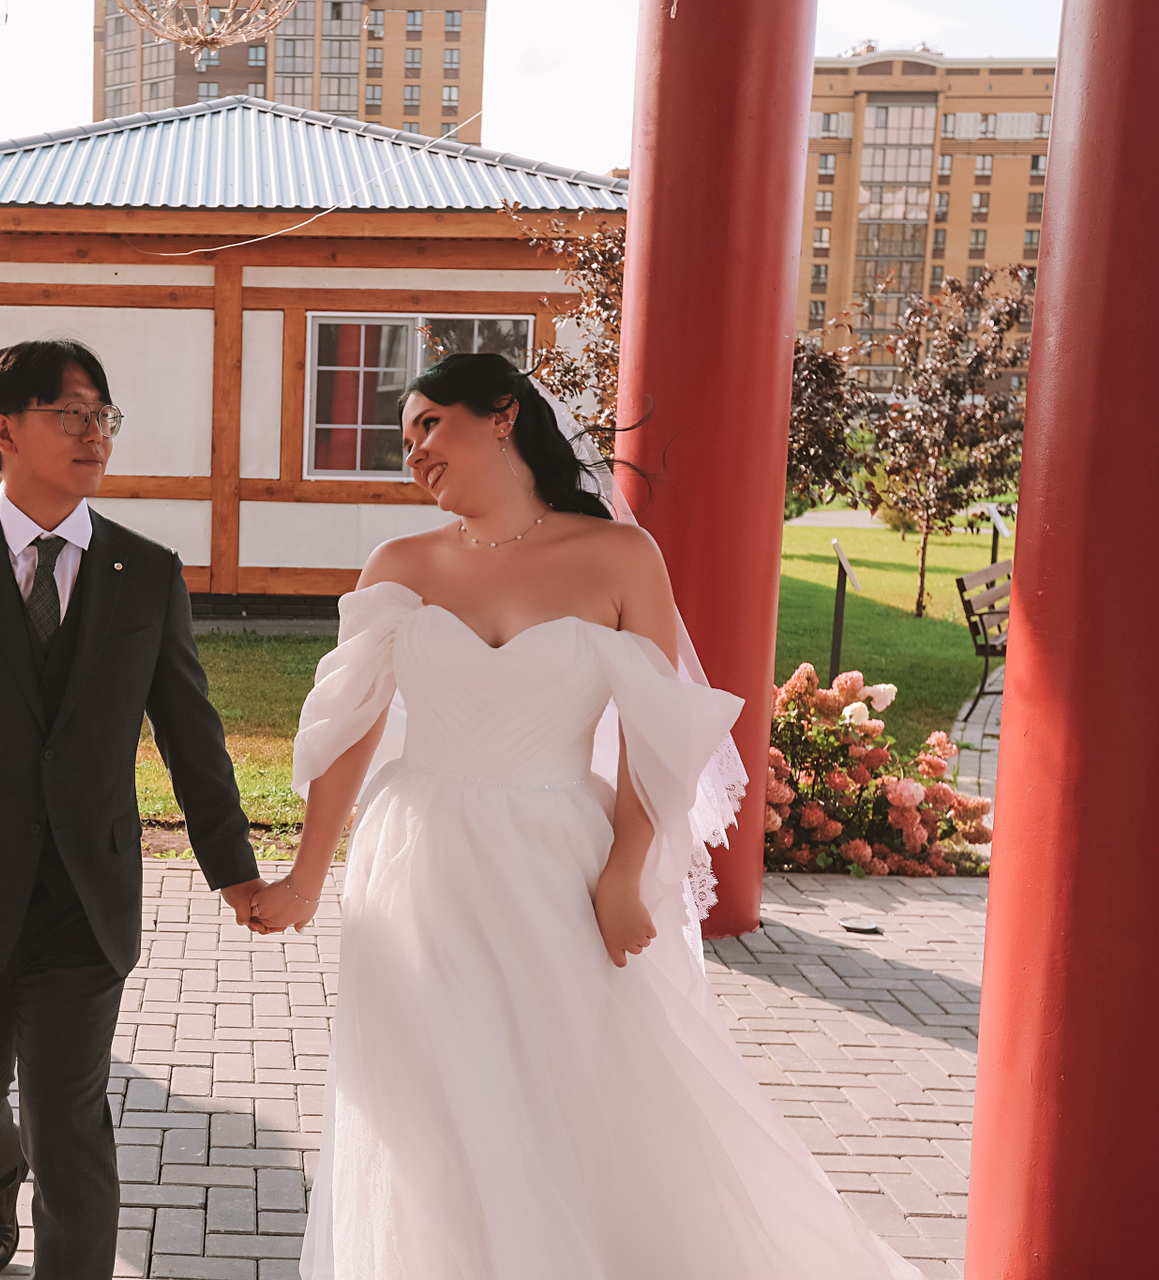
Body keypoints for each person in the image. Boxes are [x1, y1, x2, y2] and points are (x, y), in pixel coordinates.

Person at [249, 353, 922, 1278]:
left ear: (502, 414)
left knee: (562, 1087)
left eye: (429, 424)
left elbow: (657, 733)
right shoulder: (400, 565)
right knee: (428, 1102)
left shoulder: (618, 557)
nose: (414, 453)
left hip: (556, 858)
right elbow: (350, 729)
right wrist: (303, 880)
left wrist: (624, 872)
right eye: (404, 441)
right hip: (416, 864)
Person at [0, 339, 266, 1279]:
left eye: (103, 415)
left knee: (68, 1121)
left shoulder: (147, 572)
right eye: (71, 413)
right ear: (5, 430)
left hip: (84, 895)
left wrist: (234, 868)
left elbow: (191, 734)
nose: (94, 432)